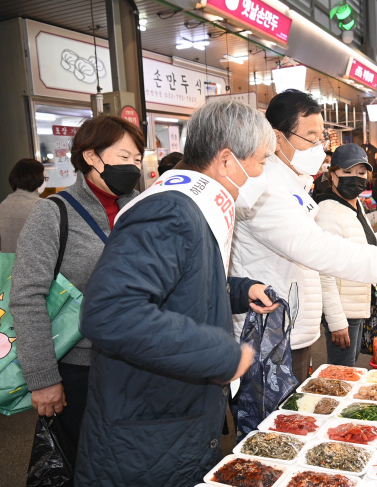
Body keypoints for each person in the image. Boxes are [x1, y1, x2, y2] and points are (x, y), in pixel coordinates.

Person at [74, 100, 278, 486]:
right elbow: (111, 312)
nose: (262, 173)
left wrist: (237, 291)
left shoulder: (195, 204)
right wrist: (221, 353)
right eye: (261, 160)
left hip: (176, 418)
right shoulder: (171, 210)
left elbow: (180, 284)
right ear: (226, 160)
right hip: (148, 429)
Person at [230, 89, 377, 384]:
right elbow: (321, 250)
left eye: (320, 138)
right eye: (310, 136)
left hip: (290, 329)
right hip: (270, 333)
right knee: (274, 424)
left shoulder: (293, 185)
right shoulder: (267, 189)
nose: (318, 147)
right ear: (278, 138)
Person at [10, 115, 144, 460]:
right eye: (125, 157)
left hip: (138, 362)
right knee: (88, 463)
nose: (133, 167)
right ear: (91, 156)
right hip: (79, 368)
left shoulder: (141, 207)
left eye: (138, 159)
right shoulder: (52, 213)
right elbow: (27, 298)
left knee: (133, 461)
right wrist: (42, 379)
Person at [315, 144, 377, 366]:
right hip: (344, 311)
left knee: (349, 368)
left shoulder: (356, 205)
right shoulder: (327, 212)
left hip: (359, 303)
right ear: (332, 175)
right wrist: (336, 320)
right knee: (341, 373)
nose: (355, 178)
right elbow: (324, 272)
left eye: (361, 173)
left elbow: (358, 243)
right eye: (347, 172)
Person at [0, 158, 45, 253]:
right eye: (44, 178)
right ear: (37, 179)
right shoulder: (40, 205)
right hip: (32, 263)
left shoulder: (3, 205)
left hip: (9, 264)